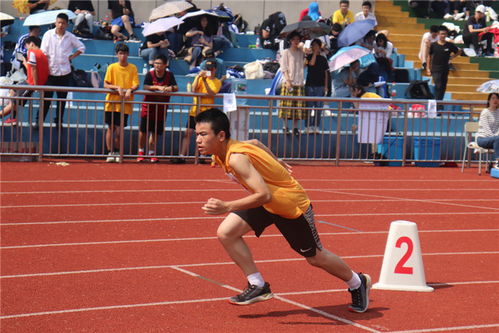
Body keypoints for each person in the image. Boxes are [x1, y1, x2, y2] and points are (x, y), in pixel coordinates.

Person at [194, 107, 371, 311]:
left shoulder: (235, 157)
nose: (198, 140)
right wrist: (275, 161)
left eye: (203, 134)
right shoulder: (225, 151)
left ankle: (358, 282)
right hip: (268, 201)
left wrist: (227, 206)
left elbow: (264, 195)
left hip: (290, 204)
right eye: (197, 134)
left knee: (315, 257)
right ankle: (257, 284)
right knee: (227, 232)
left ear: (221, 135)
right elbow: (255, 143)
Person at [36, 13, 85, 129]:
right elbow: (43, 52)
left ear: (67, 24)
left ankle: (58, 121)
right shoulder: (48, 34)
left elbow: (82, 47)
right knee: (45, 99)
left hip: (64, 73)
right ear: (55, 22)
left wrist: (72, 57)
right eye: (59, 22)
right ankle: (39, 121)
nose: (61, 25)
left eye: (63, 23)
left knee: (61, 100)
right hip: (50, 72)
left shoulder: (70, 36)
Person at [174, 59, 221, 163]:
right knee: (188, 133)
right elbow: (194, 90)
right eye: (207, 69)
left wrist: (205, 81)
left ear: (215, 70)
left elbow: (211, 93)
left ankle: (202, 156)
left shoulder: (217, 81)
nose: (209, 71)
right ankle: (182, 156)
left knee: (204, 135)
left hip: (206, 112)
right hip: (195, 110)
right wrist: (199, 77)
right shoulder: (199, 78)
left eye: (211, 69)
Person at [138, 55, 178, 163]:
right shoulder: (150, 74)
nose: (157, 66)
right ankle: (140, 152)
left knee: (155, 131)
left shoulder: (170, 75)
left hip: (161, 108)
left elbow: (176, 87)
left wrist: (170, 88)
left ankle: (152, 152)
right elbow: (145, 86)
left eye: (159, 63)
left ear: (165, 65)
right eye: (155, 63)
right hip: (148, 107)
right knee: (143, 130)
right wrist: (157, 87)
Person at [103, 43, 139, 163]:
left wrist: (130, 89)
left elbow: (136, 84)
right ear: (117, 54)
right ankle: (109, 152)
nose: (123, 56)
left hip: (125, 104)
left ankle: (117, 152)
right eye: (120, 53)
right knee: (111, 128)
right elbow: (106, 84)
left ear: (128, 54)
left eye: (124, 53)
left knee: (119, 130)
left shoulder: (133, 68)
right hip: (112, 103)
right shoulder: (112, 67)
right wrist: (116, 87)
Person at [0, 36, 49, 125]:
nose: (26, 48)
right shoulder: (41, 53)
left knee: (14, 104)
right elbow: (33, 69)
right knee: (13, 90)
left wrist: (36, 85)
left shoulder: (32, 52)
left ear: (32, 44)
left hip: (31, 84)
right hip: (28, 81)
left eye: (26, 45)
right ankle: (13, 117)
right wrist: (25, 63)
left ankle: (8, 113)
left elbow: (34, 70)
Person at [278, 31, 306, 135]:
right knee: (286, 107)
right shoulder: (286, 52)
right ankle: (285, 126)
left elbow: (305, 64)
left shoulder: (301, 53)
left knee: (297, 107)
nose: (296, 41)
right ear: (290, 40)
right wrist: (288, 80)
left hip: (299, 82)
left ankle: (295, 128)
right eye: (294, 39)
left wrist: (304, 49)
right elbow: (283, 67)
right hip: (289, 82)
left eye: (297, 39)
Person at [427, 26, 461, 107]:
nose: (443, 35)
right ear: (438, 34)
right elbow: (429, 56)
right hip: (435, 69)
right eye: (441, 34)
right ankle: (436, 104)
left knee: (443, 87)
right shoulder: (433, 45)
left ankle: (439, 103)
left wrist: (452, 57)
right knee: (438, 86)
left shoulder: (449, 45)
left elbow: (459, 51)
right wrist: (428, 68)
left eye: (445, 34)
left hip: (445, 69)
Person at [304, 39, 328, 133]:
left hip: (320, 86)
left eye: (316, 45)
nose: (315, 47)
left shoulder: (323, 59)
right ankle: (307, 126)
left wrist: (326, 86)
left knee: (318, 108)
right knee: (309, 107)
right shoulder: (309, 57)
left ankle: (316, 126)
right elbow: (311, 64)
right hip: (310, 85)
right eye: (313, 45)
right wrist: (314, 53)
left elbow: (326, 74)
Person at [476, 92, 499, 170]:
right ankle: (497, 162)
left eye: (497, 98)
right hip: (483, 138)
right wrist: (496, 137)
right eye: (493, 98)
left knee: (497, 139)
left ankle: (493, 163)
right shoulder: (485, 112)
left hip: (495, 139)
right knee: (497, 139)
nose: (495, 100)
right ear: (489, 101)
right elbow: (486, 130)